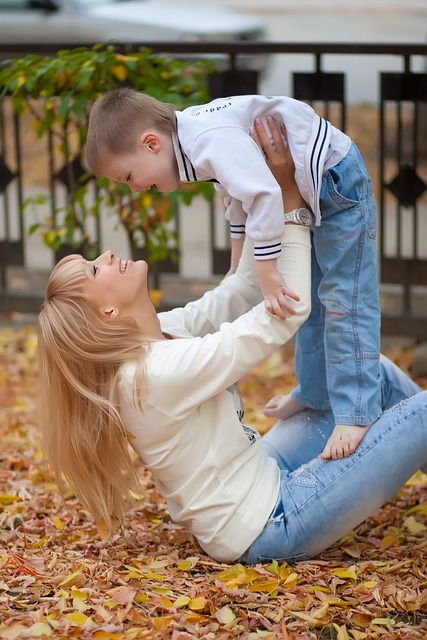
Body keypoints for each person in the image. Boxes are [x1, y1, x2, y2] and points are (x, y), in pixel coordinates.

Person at [38, 122, 426, 566]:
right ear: (106, 313)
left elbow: (241, 288)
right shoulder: (153, 376)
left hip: (262, 469)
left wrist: (246, 187)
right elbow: (284, 315)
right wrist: (288, 200)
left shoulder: (161, 333)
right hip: (271, 523)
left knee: (368, 371)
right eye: (93, 271)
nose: (105, 257)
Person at [84, 87, 381, 461]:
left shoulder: (206, 140)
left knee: (344, 299)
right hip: (310, 184)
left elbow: (263, 195)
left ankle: (357, 412)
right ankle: (315, 392)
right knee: (318, 306)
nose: (136, 187)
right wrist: (236, 264)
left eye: (129, 176)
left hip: (334, 180)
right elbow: (238, 199)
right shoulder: (191, 142)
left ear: (151, 144)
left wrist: (267, 269)